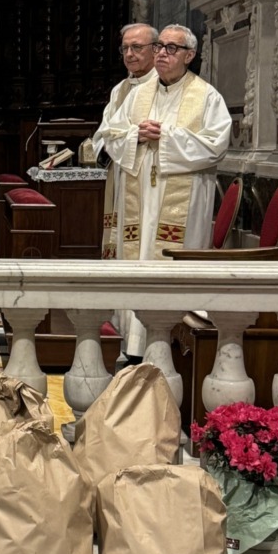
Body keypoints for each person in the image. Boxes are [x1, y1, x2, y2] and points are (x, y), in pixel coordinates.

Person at [101, 23, 232, 356]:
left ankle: (175, 345)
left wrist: (169, 136)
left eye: (171, 48)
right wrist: (136, 136)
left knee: (171, 264)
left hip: (182, 202)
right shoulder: (138, 94)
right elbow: (112, 135)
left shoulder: (206, 96)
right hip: (140, 195)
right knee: (140, 257)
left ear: (189, 56)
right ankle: (134, 344)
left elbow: (216, 146)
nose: (162, 53)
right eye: (159, 46)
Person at [94, 22, 159, 259]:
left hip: (148, 178)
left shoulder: (163, 86)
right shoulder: (119, 89)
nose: (129, 54)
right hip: (120, 174)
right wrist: (112, 144)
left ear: (155, 49)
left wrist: (130, 138)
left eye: (137, 47)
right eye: (125, 48)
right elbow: (103, 134)